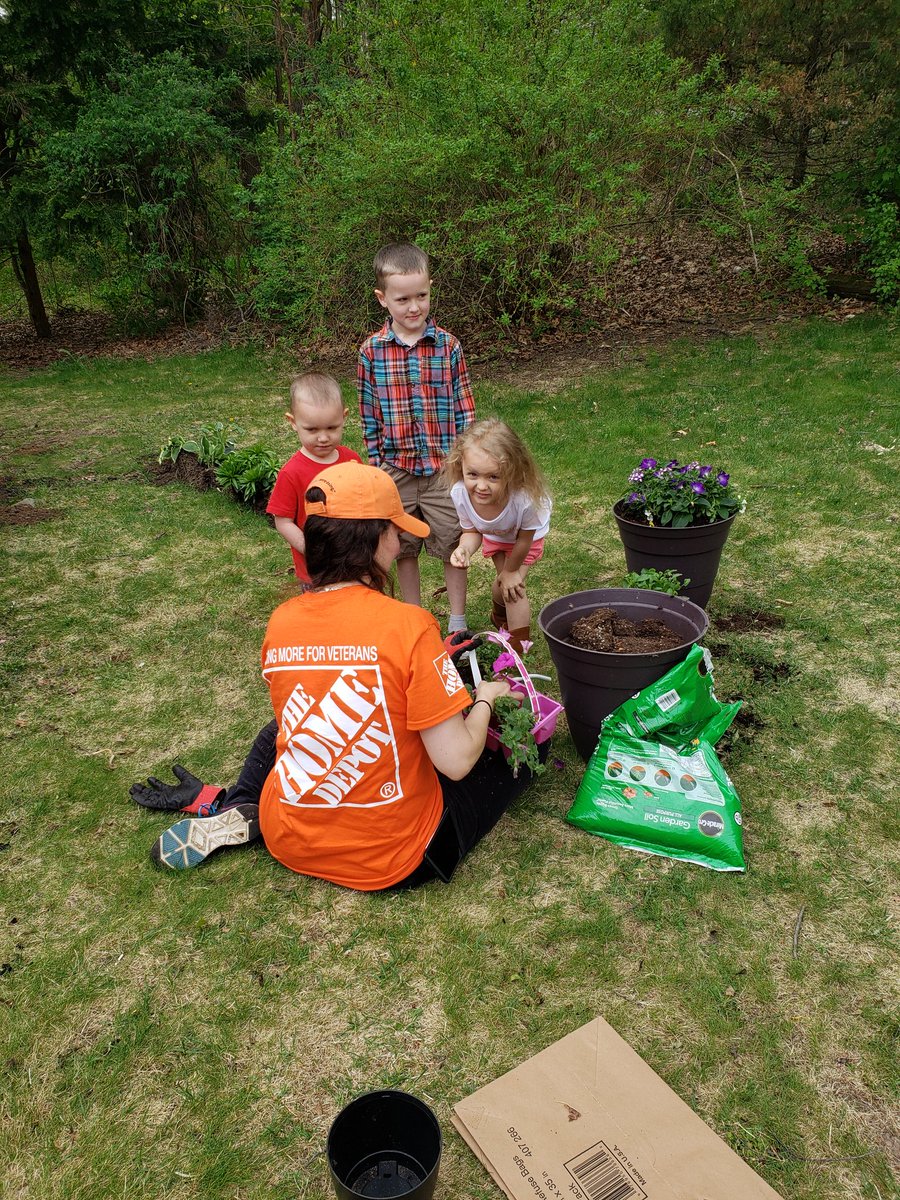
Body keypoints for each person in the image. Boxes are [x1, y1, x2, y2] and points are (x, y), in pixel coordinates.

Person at [133, 462, 545, 888]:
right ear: (377, 539)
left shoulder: (282, 620)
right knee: (521, 752)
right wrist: (484, 698)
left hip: (289, 838)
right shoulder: (410, 624)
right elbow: (456, 762)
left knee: (287, 722)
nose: (401, 537)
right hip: (391, 859)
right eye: (395, 528)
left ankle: (240, 803)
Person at [357, 242, 474, 633]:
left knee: (453, 542)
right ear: (382, 299)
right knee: (402, 546)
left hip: (444, 470)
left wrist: (467, 462)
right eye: (402, 298)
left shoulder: (448, 346)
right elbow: (369, 416)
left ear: (430, 290)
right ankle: (415, 621)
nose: (413, 307)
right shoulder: (371, 353)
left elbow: (465, 410)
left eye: (421, 296)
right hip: (397, 470)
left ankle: (457, 624)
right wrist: (378, 469)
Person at [443, 418, 551, 654]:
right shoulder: (460, 493)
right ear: (461, 466)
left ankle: (518, 651)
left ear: (512, 472)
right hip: (497, 537)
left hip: (524, 542)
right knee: (500, 586)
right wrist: (464, 549)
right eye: (473, 474)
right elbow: (471, 531)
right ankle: (500, 618)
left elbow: (524, 539)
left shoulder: (524, 500)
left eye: (493, 477)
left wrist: (513, 571)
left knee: (513, 589)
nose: (481, 486)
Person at [266, 372, 361, 583]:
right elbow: (282, 521)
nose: (324, 438)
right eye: (312, 429)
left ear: (344, 417)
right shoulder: (291, 472)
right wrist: (311, 549)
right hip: (317, 571)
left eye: (332, 427)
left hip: (354, 561)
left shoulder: (352, 460)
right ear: (293, 422)